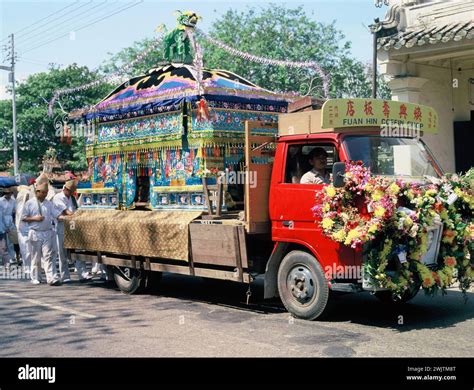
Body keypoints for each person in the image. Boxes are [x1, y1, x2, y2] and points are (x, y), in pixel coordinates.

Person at [21, 182, 61, 286]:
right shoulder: (29, 203)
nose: (45, 194)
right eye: (43, 192)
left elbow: (56, 214)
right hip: (35, 233)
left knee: (48, 256)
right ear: (37, 192)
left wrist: (65, 217)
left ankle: (51, 278)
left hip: (47, 232)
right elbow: (24, 218)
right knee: (36, 257)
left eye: (46, 192)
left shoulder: (49, 203)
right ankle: (35, 277)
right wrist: (35, 218)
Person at [53, 180, 92, 283]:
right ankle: (65, 276)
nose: (71, 193)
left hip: (73, 227)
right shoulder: (58, 197)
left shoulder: (72, 198)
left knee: (77, 252)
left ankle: (83, 274)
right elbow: (67, 212)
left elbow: (75, 210)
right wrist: (76, 216)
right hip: (62, 227)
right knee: (63, 254)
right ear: (65, 189)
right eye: (70, 191)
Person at [0, 187, 17, 263]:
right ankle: (5, 257)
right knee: (3, 240)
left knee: (11, 239)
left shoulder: (13, 201)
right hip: (2, 219)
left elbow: (14, 211)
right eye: (7, 193)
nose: (9, 195)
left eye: (10, 193)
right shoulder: (0, 201)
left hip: (9, 219)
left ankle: (12, 257)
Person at [0, 201, 11, 268]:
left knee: (4, 248)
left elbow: (3, 219)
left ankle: (6, 264)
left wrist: (6, 227)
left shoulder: (1, 208)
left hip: (2, 230)